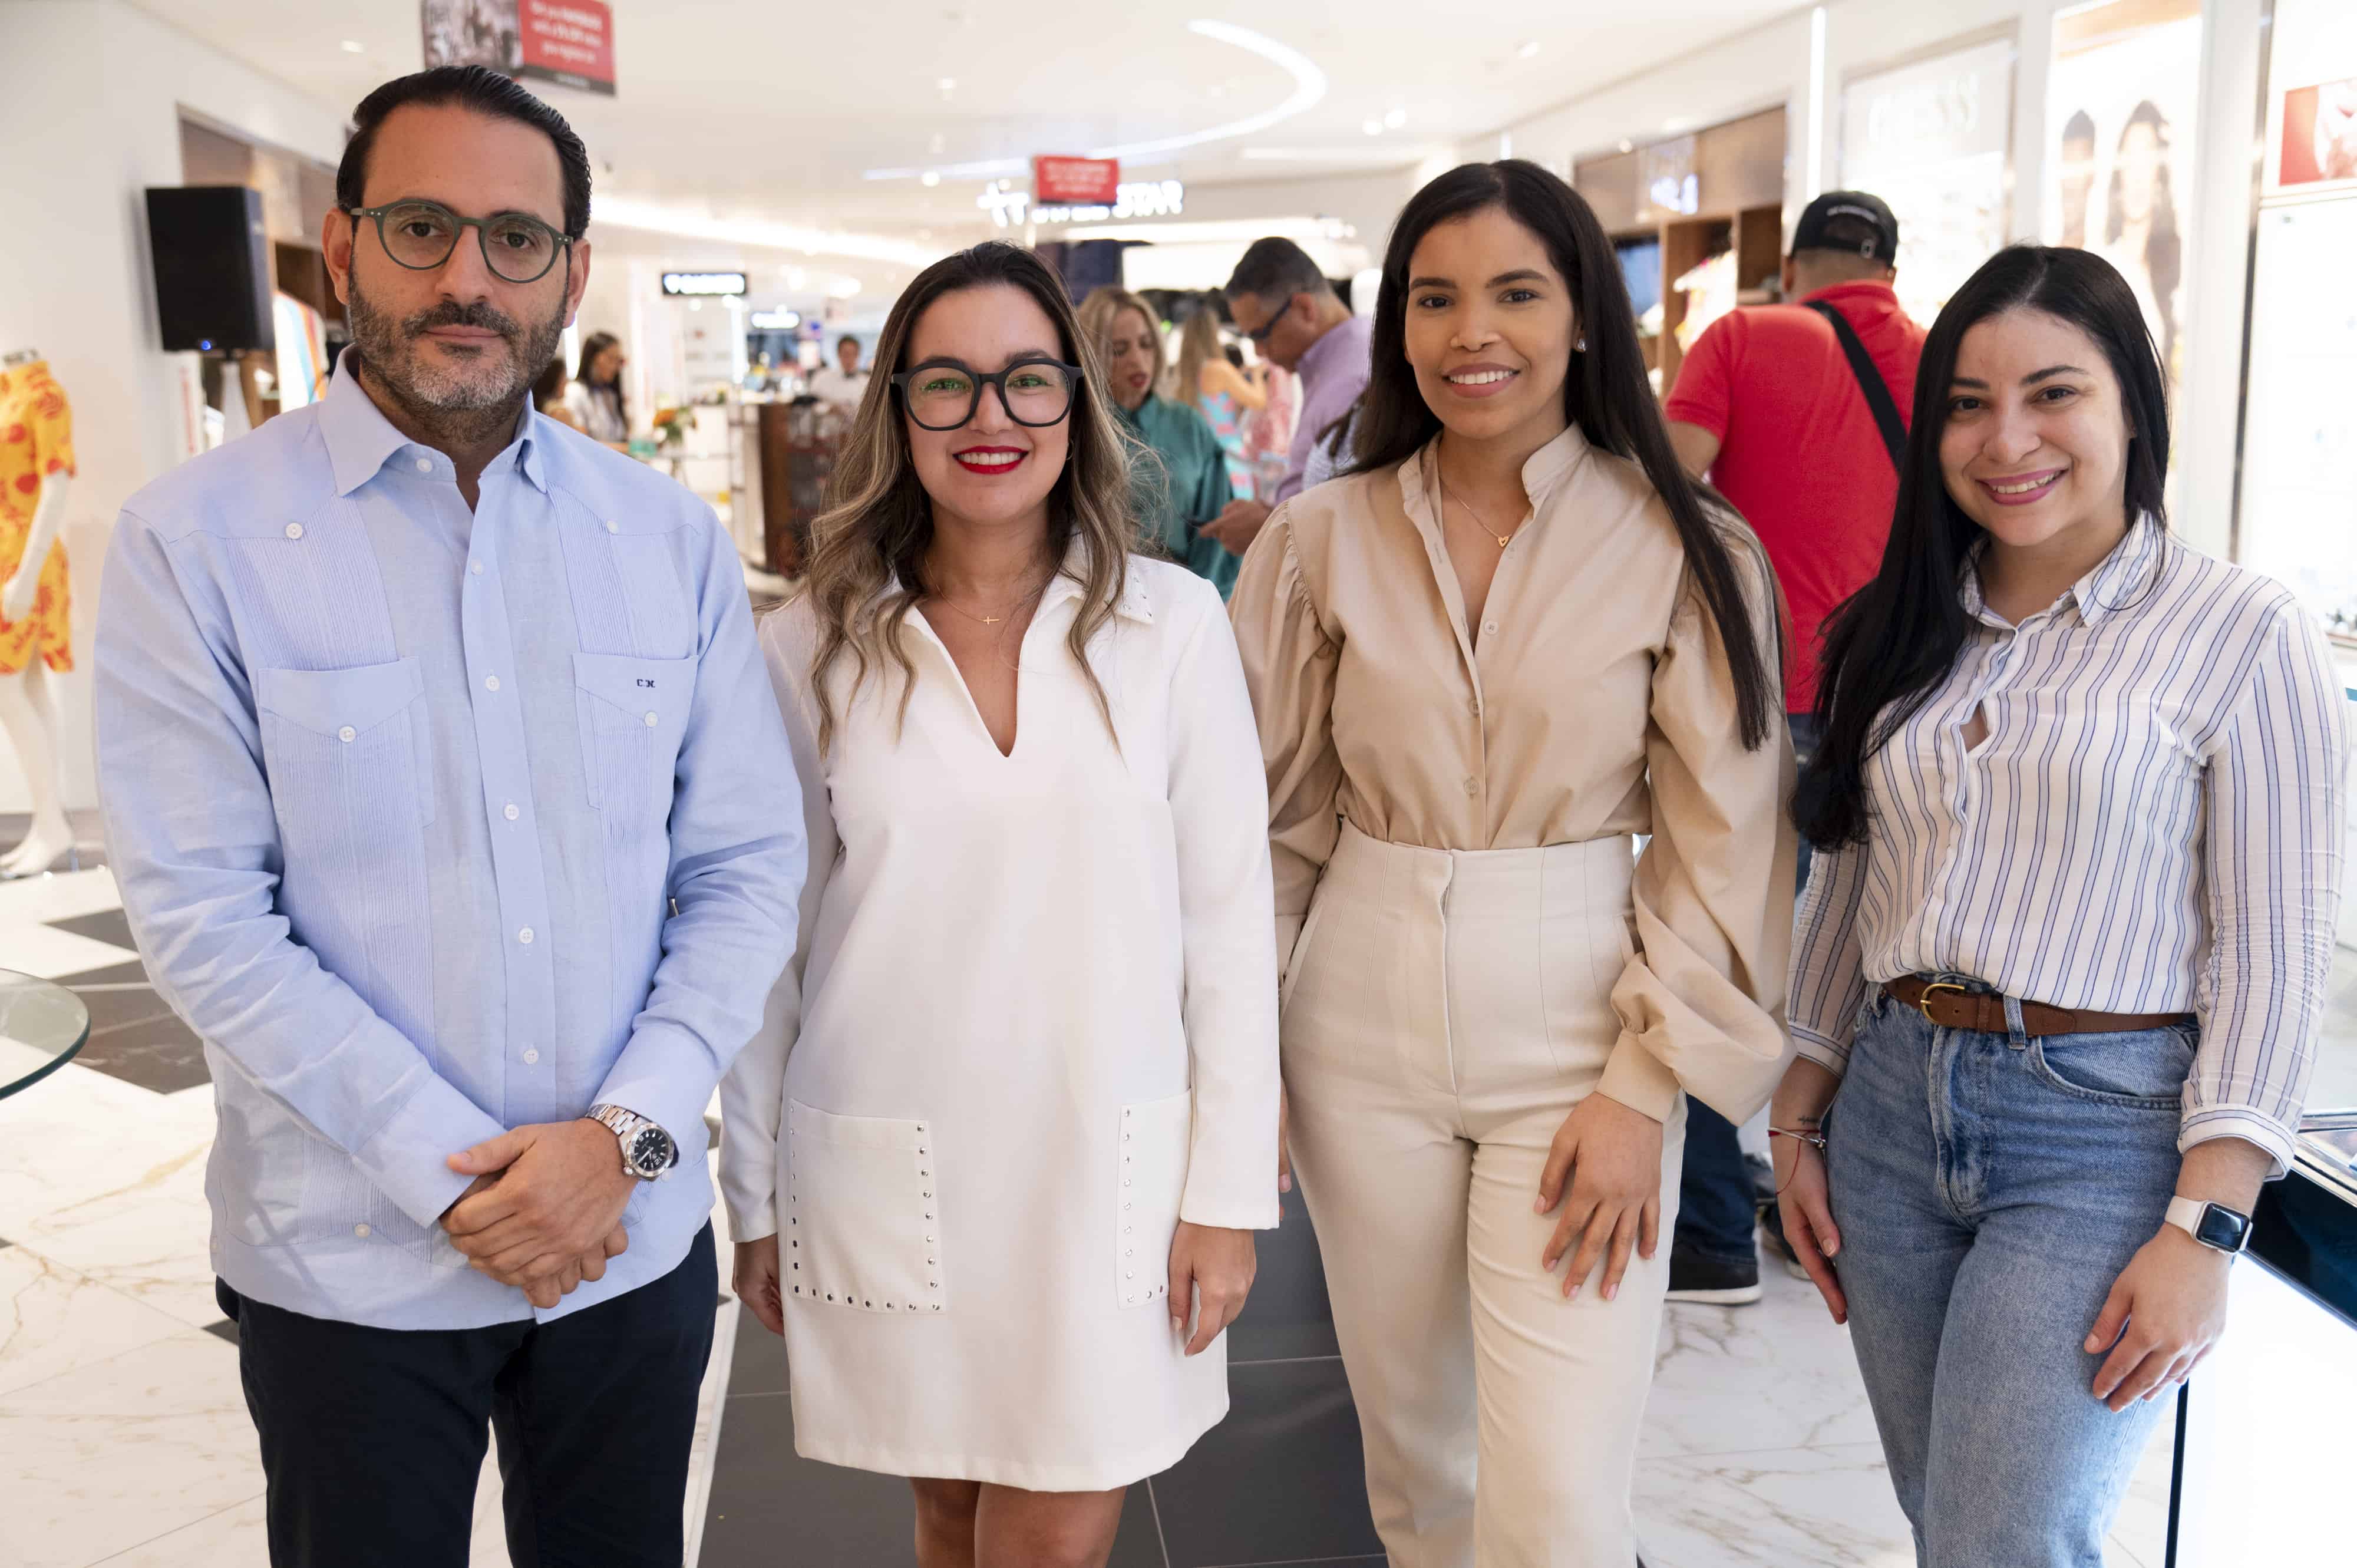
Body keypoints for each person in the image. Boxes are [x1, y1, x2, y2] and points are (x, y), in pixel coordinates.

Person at [90, 66, 805, 1567]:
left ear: (573, 272)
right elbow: (207, 919)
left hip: (629, 1249)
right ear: (344, 248)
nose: (468, 277)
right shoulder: (195, 543)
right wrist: (459, 1178)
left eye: (515, 239)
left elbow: (742, 870)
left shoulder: (664, 536)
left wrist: (620, 1143)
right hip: (347, 1269)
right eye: (422, 228)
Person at [1230, 160, 1795, 1567]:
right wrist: (1246, 1062)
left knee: (1554, 1501)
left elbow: (1724, 844)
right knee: (1418, 1466)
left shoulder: (1686, 546)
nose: (1470, 332)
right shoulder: (1314, 543)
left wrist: (1642, 1088)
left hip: (1582, 1025)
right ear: (1397, 325)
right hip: (1354, 1009)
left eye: (1514, 294)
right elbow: (1273, 827)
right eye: (1434, 299)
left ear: (1586, 317)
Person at [1772, 245, 2346, 1567]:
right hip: (1885, 1118)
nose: (2006, 439)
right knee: (1950, 1525)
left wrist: (2207, 1224)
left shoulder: (2238, 629)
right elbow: (1849, 880)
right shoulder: (1899, 625)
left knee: (2007, 1536)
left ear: (2130, 406)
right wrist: (1796, 1107)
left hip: (2098, 1134)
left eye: (2051, 393)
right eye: (1966, 403)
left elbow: (2270, 950)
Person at [721, 240, 1280, 1568]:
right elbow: (763, 943)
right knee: (950, 1507)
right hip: (888, 1147)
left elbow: (1230, 921)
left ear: (1078, 405)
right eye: (949, 385)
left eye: (1029, 382)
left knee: (1053, 1525)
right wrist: (751, 1195)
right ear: (894, 409)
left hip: (1107, 1162)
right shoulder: (809, 645)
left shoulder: (1171, 626)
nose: (990, 419)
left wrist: (1226, 1191)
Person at [1662, 190, 1928, 1306]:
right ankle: (1838, 1215)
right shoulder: (1943, 351)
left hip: (1765, 690)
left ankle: (1719, 1228)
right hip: (1908, 695)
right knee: (1872, 963)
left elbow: (1664, 487)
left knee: (1736, 949)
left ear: (1799, 261)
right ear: (1890, 264)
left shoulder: (1740, 336)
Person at [1207, 237, 1372, 555]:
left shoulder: (1355, 380)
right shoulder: (1335, 366)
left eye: (1260, 334)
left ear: (1304, 308)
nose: (1258, 351)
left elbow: (1359, 517)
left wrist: (1267, 524)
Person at [1077, 285, 1242, 598]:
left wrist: (1206, 606)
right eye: (1119, 349)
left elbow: (1217, 534)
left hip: (1184, 598)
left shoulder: (1189, 427)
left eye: (1146, 344)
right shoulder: (1077, 430)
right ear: (1092, 353)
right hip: (1095, 600)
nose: (1138, 360)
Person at [2099, 101, 2183, 372]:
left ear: (2159, 175)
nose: (2137, 176)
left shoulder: (2172, 269)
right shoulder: (2104, 265)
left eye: (2147, 158)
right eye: (2129, 158)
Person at [1176, 301, 1266, 499]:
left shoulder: (1184, 374)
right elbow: (1258, 400)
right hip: (1229, 456)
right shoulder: (1219, 369)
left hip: (1199, 458)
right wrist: (1257, 374)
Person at [564, 328, 628, 445]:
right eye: (611, 359)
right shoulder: (575, 392)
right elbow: (582, 443)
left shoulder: (610, 394)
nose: (616, 366)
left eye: (619, 360)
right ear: (593, 358)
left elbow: (620, 436)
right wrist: (629, 449)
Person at [807, 332, 872, 415]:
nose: (849, 358)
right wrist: (828, 409)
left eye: (853, 354)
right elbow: (811, 404)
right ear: (839, 354)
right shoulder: (822, 377)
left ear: (858, 355)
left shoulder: (867, 382)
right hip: (829, 425)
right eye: (846, 354)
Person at [532, 354, 583, 431]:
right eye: (563, 378)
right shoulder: (559, 413)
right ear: (554, 381)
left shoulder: (538, 409)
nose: (566, 382)